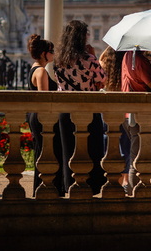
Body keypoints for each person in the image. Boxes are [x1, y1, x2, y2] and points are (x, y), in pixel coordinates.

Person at [54, 20, 107, 195]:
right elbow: (102, 80)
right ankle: (91, 185)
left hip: (66, 110)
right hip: (87, 109)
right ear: (81, 37)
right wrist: (94, 56)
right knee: (92, 149)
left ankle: (69, 184)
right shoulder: (88, 59)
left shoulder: (59, 60)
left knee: (68, 149)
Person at [121, 46, 151, 195]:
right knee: (140, 157)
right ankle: (135, 194)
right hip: (141, 115)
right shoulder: (140, 61)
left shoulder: (128, 56)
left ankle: (134, 191)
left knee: (136, 155)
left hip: (128, 113)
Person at [25, 34, 58, 196]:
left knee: (40, 152)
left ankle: (39, 189)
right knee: (44, 153)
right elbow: (44, 99)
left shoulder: (34, 68)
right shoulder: (41, 72)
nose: (53, 54)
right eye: (51, 51)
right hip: (41, 117)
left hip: (34, 115)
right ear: (44, 53)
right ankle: (42, 189)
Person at [99, 46, 130, 192]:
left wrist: (108, 49)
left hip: (106, 113)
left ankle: (113, 182)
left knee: (110, 149)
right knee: (125, 149)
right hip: (123, 113)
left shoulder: (105, 67)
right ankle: (125, 182)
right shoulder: (125, 67)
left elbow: (101, 59)